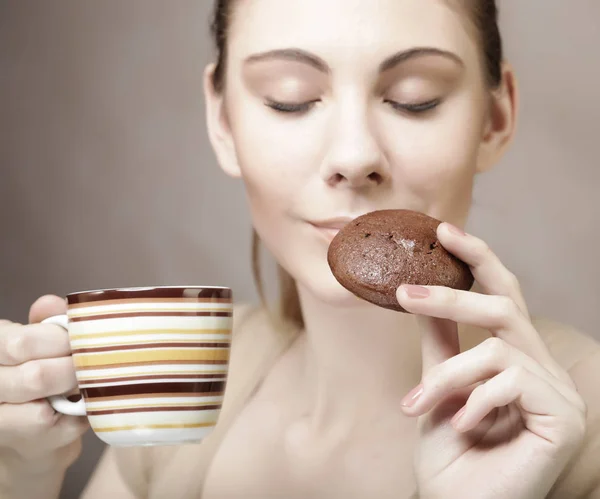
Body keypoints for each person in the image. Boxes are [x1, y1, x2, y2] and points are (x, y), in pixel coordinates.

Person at [1, 0, 599, 497]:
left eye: (415, 97)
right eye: (290, 98)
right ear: (223, 122)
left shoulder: (583, 423)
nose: (353, 155)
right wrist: (24, 473)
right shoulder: (181, 393)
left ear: (495, 118)